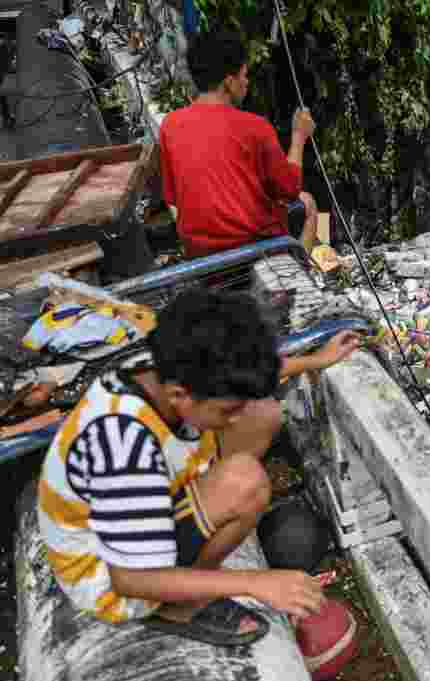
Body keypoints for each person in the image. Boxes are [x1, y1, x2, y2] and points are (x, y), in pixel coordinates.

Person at [37, 290, 362, 646]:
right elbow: (130, 579)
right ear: (180, 395)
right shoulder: (124, 445)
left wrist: (317, 359)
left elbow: (236, 377)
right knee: (246, 482)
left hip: (139, 510)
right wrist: (255, 582)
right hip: (110, 577)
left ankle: (203, 548)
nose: (232, 417)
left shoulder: (160, 366)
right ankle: (176, 607)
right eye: (225, 410)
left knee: (260, 412)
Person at [159, 32, 319, 258]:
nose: (247, 83)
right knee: (308, 203)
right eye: (244, 75)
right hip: (252, 249)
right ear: (229, 82)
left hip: (198, 250)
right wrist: (299, 137)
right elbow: (290, 190)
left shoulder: (170, 125)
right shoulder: (254, 127)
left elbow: (173, 197)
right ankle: (301, 274)